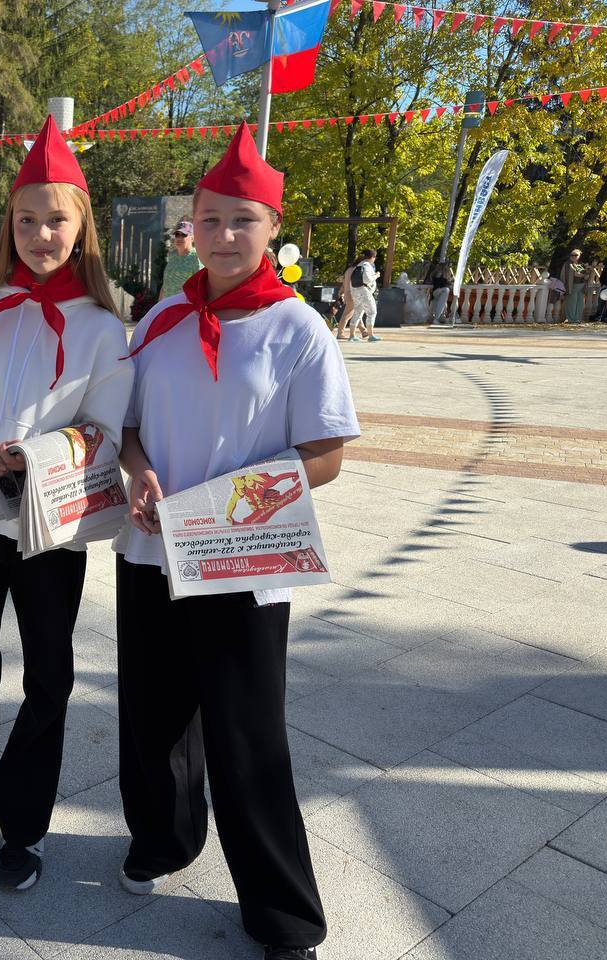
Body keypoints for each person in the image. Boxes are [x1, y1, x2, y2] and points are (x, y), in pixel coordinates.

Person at [114, 122, 359, 960]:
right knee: (154, 715)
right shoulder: (159, 323)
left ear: (272, 228)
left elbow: (325, 454)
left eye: (242, 221)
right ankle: (163, 838)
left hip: (244, 563)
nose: (223, 236)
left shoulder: (299, 330)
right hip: (152, 552)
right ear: (193, 225)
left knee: (247, 734)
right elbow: (128, 430)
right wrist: (140, 474)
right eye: (210, 220)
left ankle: (283, 913)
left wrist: (232, 507)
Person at [0, 115, 134, 890]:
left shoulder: (104, 328)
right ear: (9, 224)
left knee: (48, 678)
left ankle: (27, 823)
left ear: (82, 226)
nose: (42, 235)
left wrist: (39, 455)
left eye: (56, 220)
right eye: (27, 220)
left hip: (53, 532)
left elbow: (106, 430)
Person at [160, 219, 201, 300]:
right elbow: (165, 284)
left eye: (184, 235)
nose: (179, 238)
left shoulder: (197, 257)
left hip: (185, 305)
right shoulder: (172, 256)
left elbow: (200, 288)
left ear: (192, 238)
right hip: (167, 305)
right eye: (177, 234)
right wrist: (160, 304)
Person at [343, 249, 379, 341]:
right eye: (374, 257)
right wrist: (376, 275)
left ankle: (352, 336)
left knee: (357, 312)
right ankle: (371, 335)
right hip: (364, 292)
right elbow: (367, 279)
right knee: (372, 312)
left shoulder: (358, 265)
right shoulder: (366, 265)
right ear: (372, 257)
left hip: (355, 291)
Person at [561, 248, 586, 323]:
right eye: (572, 255)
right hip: (571, 286)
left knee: (580, 304)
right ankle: (571, 319)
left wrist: (584, 274)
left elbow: (585, 275)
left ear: (579, 256)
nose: (574, 256)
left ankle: (577, 319)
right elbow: (576, 274)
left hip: (581, 286)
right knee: (571, 303)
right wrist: (584, 274)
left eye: (576, 255)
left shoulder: (581, 264)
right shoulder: (568, 264)